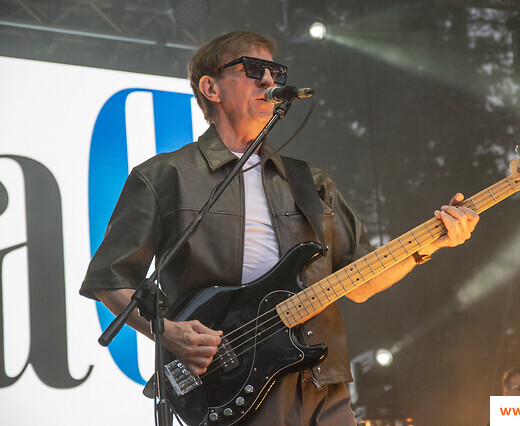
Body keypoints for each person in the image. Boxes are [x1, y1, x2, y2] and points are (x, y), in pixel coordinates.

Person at [80, 30, 479, 424]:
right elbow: (109, 280)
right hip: (229, 380)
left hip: (323, 380)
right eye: (254, 69)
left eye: (276, 73)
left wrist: (435, 241)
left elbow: (360, 280)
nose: (269, 81)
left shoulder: (311, 181)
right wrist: (168, 333)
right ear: (210, 88)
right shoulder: (165, 175)